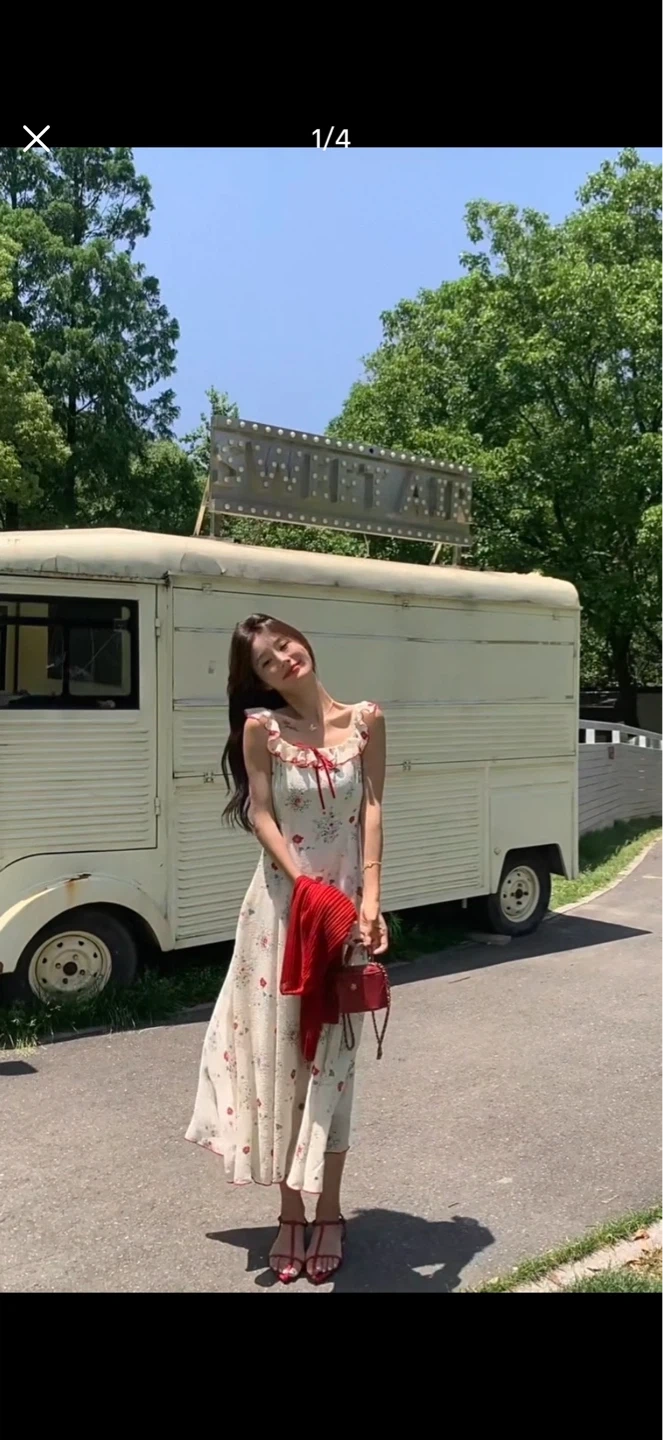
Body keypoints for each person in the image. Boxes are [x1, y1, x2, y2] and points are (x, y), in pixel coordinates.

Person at [186, 612, 387, 1284]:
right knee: (281, 1061)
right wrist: (306, 886)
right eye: (265, 663)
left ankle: (329, 1210)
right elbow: (260, 812)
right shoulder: (261, 730)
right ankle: (290, 1214)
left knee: (335, 1063)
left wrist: (369, 900)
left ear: (303, 640)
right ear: (259, 680)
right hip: (280, 915)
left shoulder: (366, 721)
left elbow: (373, 807)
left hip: (344, 918)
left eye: (284, 646)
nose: (282, 661)